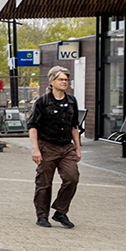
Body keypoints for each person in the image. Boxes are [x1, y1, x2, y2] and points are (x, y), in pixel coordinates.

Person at [26, 66, 81, 228]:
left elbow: (75, 126)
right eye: (61, 79)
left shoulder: (72, 101)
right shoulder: (43, 102)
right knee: (44, 183)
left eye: (66, 79)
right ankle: (42, 215)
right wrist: (35, 149)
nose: (64, 82)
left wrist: (77, 148)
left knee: (72, 178)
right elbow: (33, 126)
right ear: (52, 81)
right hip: (47, 146)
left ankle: (60, 211)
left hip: (66, 147)